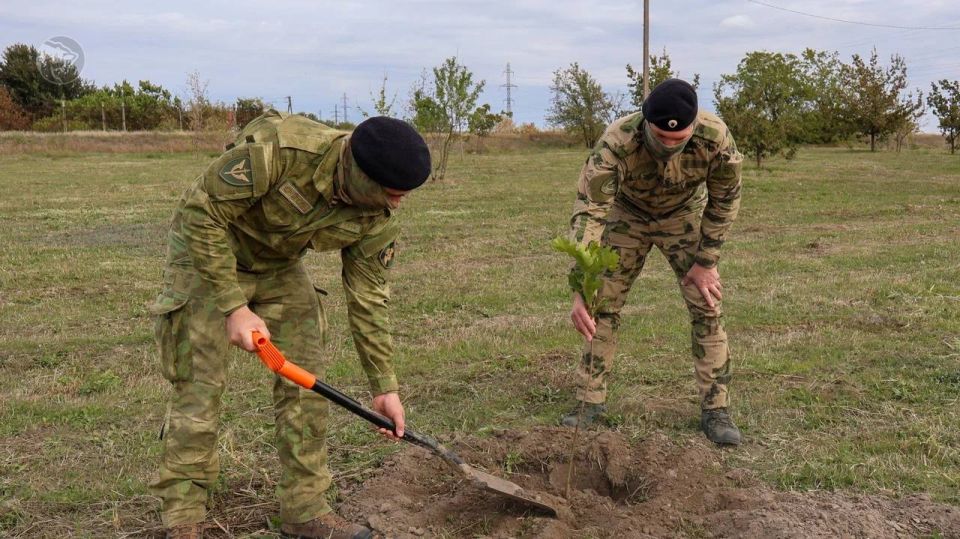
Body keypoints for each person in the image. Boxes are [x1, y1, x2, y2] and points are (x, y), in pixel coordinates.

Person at [148, 110, 430, 539]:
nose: (396, 204)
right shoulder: (281, 150)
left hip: (279, 266)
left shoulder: (378, 217)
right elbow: (199, 213)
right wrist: (233, 306)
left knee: (305, 384)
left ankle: (305, 510)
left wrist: (384, 387)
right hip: (208, 253)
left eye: (402, 196)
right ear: (357, 171)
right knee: (199, 387)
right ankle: (184, 518)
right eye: (391, 194)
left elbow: (369, 298)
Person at [562, 79, 744, 446]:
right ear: (646, 123)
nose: (670, 146)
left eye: (680, 139)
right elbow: (590, 213)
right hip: (627, 216)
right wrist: (582, 285)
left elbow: (725, 199)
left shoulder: (716, 137)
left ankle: (716, 409)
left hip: (683, 216)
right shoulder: (617, 142)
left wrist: (706, 262)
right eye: (662, 137)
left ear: (694, 125)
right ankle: (589, 401)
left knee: (707, 305)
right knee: (601, 305)